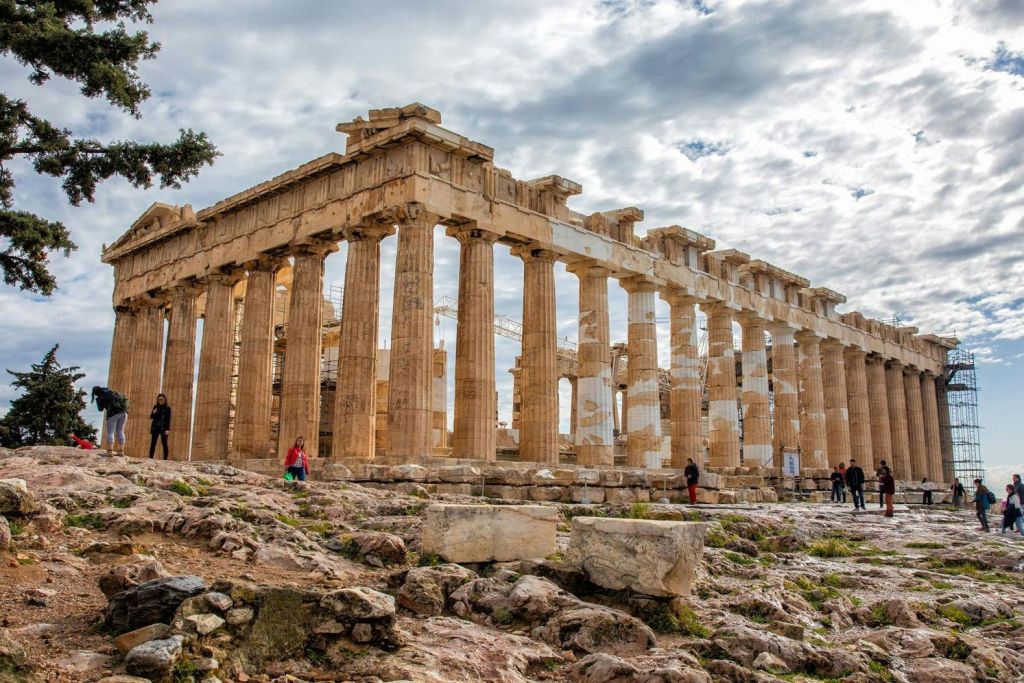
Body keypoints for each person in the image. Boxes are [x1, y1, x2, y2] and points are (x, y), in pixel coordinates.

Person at [91, 386, 129, 455]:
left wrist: (100, 401)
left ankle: (110, 451)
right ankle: (121, 451)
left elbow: (100, 409)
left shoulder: (99, 397)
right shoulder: (111, 392)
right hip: (124, 413)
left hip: (112, 414)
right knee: (120, 431)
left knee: (110, 432)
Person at [148, 394, 172, 460]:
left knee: (164, 444)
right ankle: (150, 458)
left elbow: (168, 419)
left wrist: (168, 429)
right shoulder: (155, 407)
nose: (160, 401)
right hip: (155, 427)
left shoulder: (168, 408)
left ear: (164, 400)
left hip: (163, 428)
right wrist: (153, 412)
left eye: (161, 399)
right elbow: (151, 417)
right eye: (159, 399)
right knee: (153, 443)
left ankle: (165, 459)